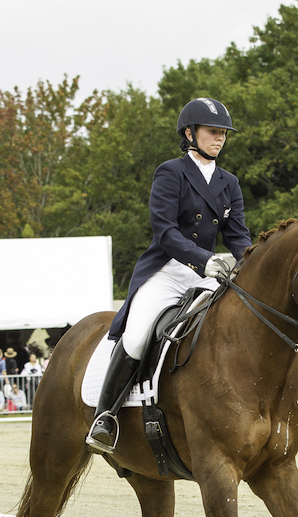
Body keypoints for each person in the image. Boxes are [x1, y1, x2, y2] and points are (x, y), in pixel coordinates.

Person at [86, 97, 253, 454]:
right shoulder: (171, 172)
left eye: (223, 133)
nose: (220, 138)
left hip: (209, 272)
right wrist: (204, 260)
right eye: (213, 131)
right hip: (167, 270)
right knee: (137, 334)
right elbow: (165, 231)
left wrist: (251, 264)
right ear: (190, 133)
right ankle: (106, 417)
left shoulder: (229, 182)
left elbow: (238, 235)